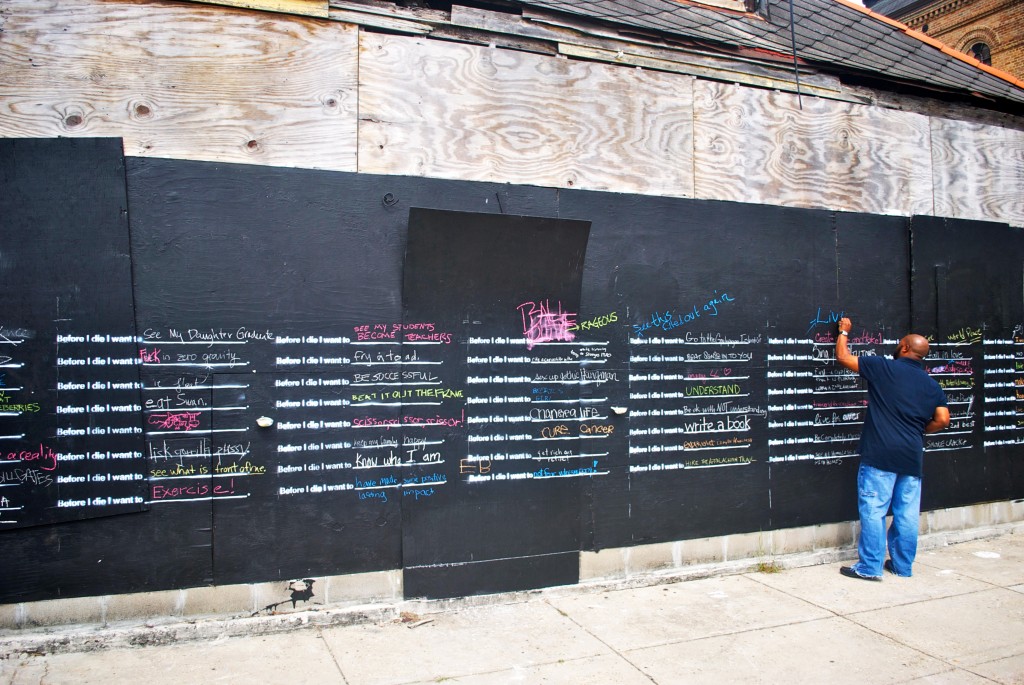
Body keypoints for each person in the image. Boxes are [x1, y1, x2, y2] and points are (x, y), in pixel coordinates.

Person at [834, 317, 950, 581]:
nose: (897, 347)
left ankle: (870, 567)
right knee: (906, 514)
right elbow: (943, 419)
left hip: (880, 454)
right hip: (912, 456)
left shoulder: (883, 367)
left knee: (874, 510)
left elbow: (843, 356)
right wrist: (921, 430)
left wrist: (843, 332)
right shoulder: (931, 385)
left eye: (900, 344)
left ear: (906, 348)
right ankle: (902, 566)